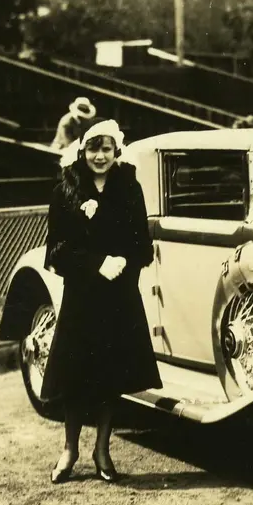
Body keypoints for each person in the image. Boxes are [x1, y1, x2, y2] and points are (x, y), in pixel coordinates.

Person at [42, 118, 161, 483]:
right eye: (94, 148)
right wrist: (96, 264)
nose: (100, 156)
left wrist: (123, 260)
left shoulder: (129, 185)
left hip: (118, 295)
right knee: (76, 376)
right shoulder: (66, 188)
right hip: (82, 296)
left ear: (116, 150)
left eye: (107, 149)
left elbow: (142, 242)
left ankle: (102, 451)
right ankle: (70, 449)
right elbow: (56, 251)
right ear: (83, 150)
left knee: (111, 375)